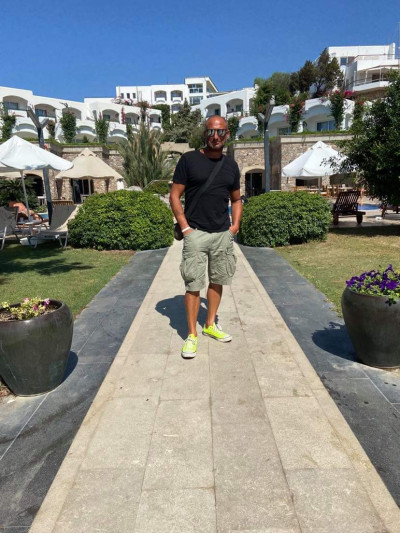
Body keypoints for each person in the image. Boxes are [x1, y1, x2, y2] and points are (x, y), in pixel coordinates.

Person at [169, 116, 243, 358]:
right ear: (205, 134)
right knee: (193, 285)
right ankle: (192, 335)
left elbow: (236, 199)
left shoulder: (231, 165)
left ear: (227, 134)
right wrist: (185, 228)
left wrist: (235, 226)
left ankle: (210, 324)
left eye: (220, 132)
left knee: (217, 280)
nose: (215, 136)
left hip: (222, 233)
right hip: (196, 233)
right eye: (211, 131)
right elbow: (174, 195)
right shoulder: (189, 160)